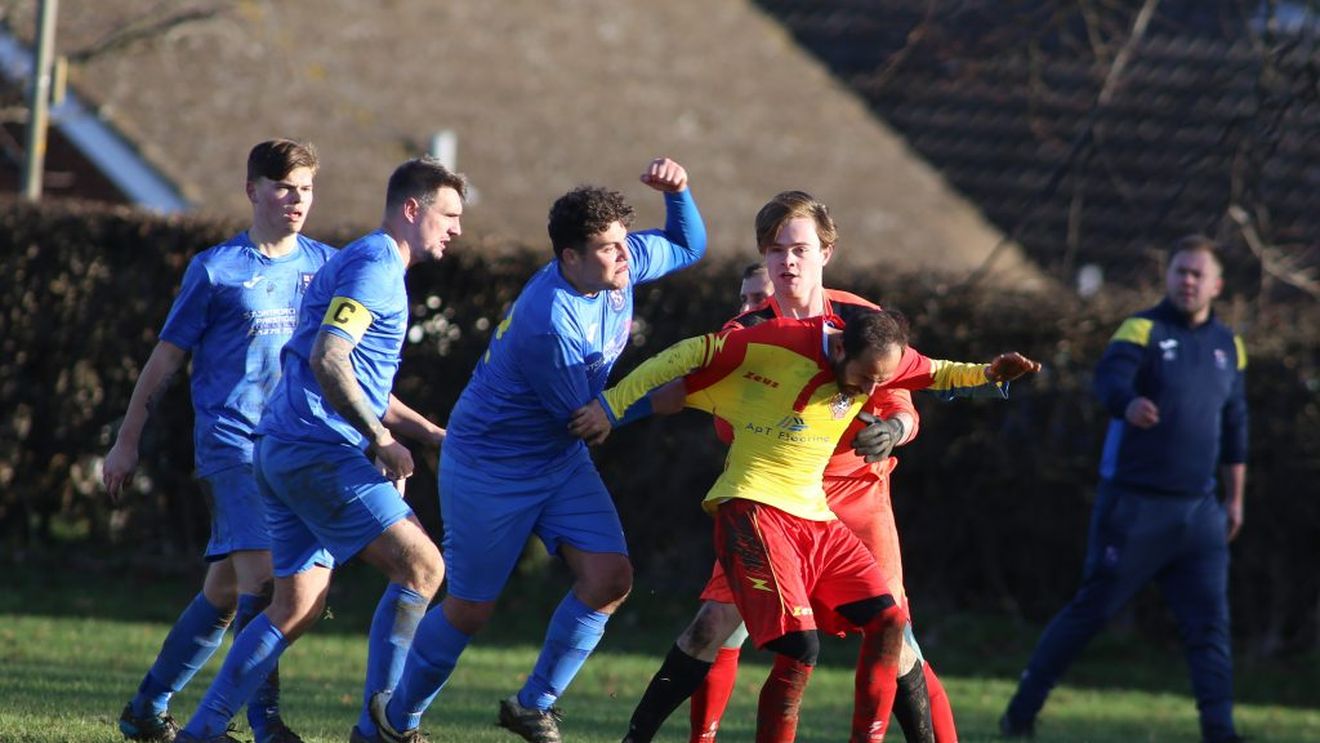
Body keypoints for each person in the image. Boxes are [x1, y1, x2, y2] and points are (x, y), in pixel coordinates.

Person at [574, 309, 1040, 743]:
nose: (870, 390)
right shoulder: (775, 341)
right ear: (839, 349)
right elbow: (690, 353)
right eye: (864, 378)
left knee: (889, 620)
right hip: (753, 510)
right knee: (797, 646)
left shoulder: (874, 351)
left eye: (882, 380)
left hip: (815, 519)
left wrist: (989, 375)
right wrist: (611, 406)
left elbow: (937, 372)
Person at [369, 157, 707, 743]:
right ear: (569, 258)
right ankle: (394, 722)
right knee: (472, 610)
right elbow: (586, 419)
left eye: (625, 244)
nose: (624, 256)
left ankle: (533, 704)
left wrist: (679, 193)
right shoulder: (549, 320)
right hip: (489, 467)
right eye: (608, 248)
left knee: (611, 577)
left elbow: (688, 245)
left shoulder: (616, 264)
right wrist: (656, 400)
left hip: (554, 459)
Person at [627, 191, 958, 743]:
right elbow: (714, 415)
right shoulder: (750, 331)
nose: (787, 262)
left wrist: (892, 430)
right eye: (776, 250)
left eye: (799, 249)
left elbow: (902, 399)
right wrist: (616, 406)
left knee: (897, 638)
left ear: (825, 254)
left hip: (854, 500)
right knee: (715, 626)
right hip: (771, 505)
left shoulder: (860, 320)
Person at [170, 157, 466, 743]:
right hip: (314, 451)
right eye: (449, 214)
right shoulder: (376, 268)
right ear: (413, 209)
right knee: (423, 567)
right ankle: (381, 728)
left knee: (294, 605)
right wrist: (381, 441)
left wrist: (428, 434)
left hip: (284, 449)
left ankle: (202, 730)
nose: (456, 229)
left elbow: (355, 375)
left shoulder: (361, 259)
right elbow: (328, 358)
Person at [104, 139, 334, 743]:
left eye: (306, 188)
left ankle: (146, 708)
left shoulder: (329, 267)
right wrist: (127, 441)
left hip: (296, 448)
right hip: (233, 446)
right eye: (284, 186)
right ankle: (265, 723)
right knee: (266, 581)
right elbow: (164, 360)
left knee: (226, 590)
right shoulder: (216, 269)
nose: (296, 199)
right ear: (252, 190)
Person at [999, 236, 1248, 743]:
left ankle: (1220, 731)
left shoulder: (1229, 346)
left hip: (1200, 512)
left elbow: (1237, 424)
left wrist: (1236, 497)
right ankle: (1020, 715)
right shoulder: (1142, 329)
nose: (1188, 281)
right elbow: (1109, 382)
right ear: (1168, 275)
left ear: (1217, 285)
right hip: (1135, 507)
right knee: (1091, 612)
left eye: (1199, 274)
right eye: (1181, 271)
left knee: (1210, 628)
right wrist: (1128, 403)